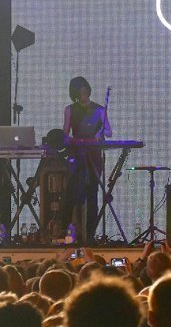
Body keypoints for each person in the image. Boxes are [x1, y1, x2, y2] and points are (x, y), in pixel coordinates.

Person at [63, 76, 112, 243]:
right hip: (77, 154)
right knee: (72, 193)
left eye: (84, 89)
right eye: (78, 90)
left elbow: (109, 131)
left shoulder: (99, 110)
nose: (82, 93)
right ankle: (68, 232)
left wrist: (99, 134)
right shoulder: (70, 109)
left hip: (93, 155)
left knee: (92, 194)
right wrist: (70, 141)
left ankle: (90, 234)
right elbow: (65, 134)